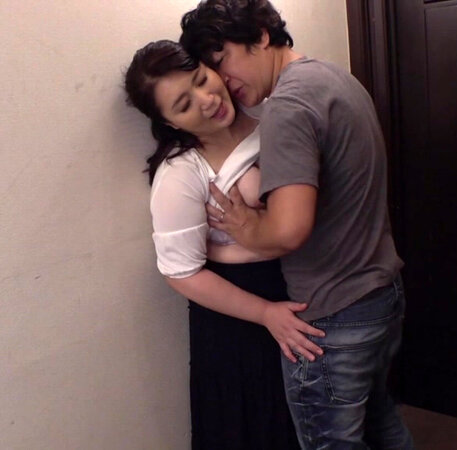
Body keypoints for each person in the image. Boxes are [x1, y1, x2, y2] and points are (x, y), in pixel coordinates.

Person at [180, 1, 415, 449]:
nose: (222, 81)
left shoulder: (287, 106)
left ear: (261, 35)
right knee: (381, 421)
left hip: (335, 314)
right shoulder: (335, 78)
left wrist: (243, 225)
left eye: (222, 59)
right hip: (382, 294)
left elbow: (288, 231)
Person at [124, 39, 323, 449]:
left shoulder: (273, 117)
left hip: (308, 290)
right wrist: (265, 313)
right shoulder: (182, 174)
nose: (207, 99)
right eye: (184, 104)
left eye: (201, 79)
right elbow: (180, 273)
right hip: (239, 319)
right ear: (170, 123)